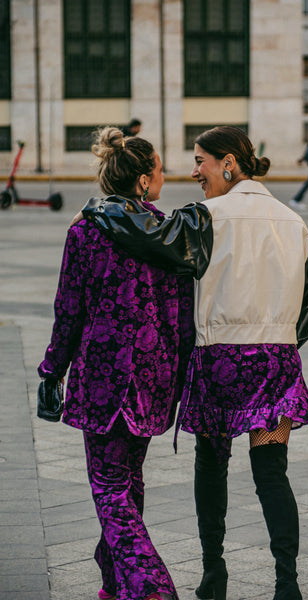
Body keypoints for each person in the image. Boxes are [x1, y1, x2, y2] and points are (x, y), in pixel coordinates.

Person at [79, 126, 308, 600]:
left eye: (200, 161)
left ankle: (214, 575)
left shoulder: (204, 217)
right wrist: (279, 341)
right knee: (271, 471)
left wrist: (102, 204)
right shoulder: (295, 222)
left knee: (211, 465)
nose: (194, 172)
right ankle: (287, 585)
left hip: (218, 362)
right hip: (277, 362)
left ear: (228, 162)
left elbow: (146, 235)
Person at [38, 126, 212, 600]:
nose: (164, 177)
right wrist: (178, 379)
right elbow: (181, 317)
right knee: (127, 482)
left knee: (111, 487)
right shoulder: (170, 235)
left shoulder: (84, 230)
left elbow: (68, 311)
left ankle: (150, 587)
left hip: (100, 376)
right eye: (158, 170)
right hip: (153, 376)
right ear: (141, 180)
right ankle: (113, 585)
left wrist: (52, 370)